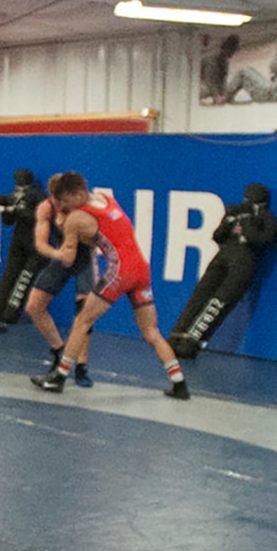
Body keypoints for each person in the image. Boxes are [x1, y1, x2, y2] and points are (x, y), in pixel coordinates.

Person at [31, 171, 189, 399]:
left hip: (120, 271)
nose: (63, 205)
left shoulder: (76, 218)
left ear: (77, 194)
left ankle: (58, 378)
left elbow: (68, 259)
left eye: (65, 201)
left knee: (82, 320)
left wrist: (63, 239)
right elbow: (108, 233)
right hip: (141, 270)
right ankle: (179, 383)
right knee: (151, 331)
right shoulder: (107, 199)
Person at [168, 182, 274, 357]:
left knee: (218, 303)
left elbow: (262, 239)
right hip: (223, 257)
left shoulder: (265, 218)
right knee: (199, 295)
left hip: (243, 265)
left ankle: (192, 341)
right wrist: (229, 221)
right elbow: (218, 236)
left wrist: (247, 221)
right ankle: (177, 334)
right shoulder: (235, 211)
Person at [21, 184, 95, 385]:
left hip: (84, 258)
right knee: (34, 306)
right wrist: (58, 254)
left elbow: (94, 239)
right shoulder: (46, 208)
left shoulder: (81, 207)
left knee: (84, 311)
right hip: (63, 256)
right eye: (57, 201)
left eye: (63, 201)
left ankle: (81, 367)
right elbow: (41, 244)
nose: (61, 205)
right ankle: (58, 351)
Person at [0, 168, 49, 329]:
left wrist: (18, 210)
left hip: (35, 243)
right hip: (19, 242)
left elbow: (39, 218)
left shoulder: (38, 195)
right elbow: (8, 221)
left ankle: (11, 314)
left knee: (24, 278)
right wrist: (4, 208)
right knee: (9, 275)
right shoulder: (16, 195)